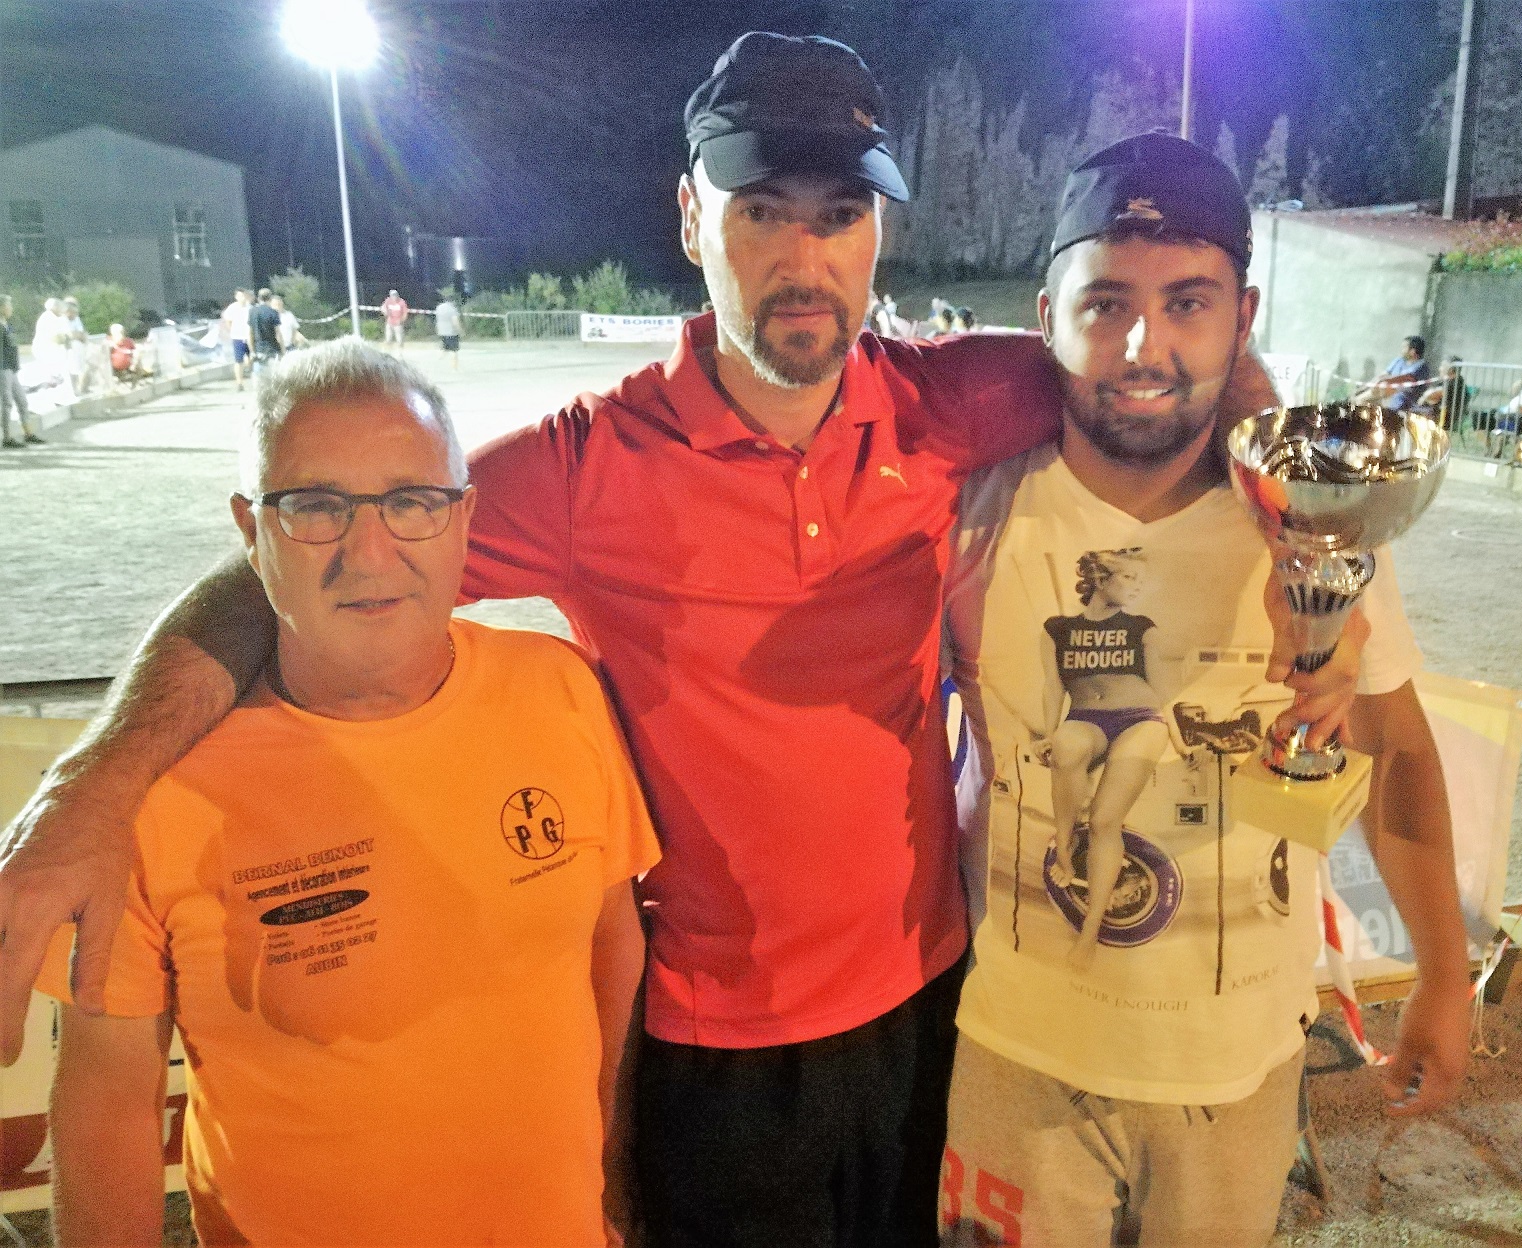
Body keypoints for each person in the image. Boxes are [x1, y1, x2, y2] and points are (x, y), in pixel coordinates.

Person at [0, 33, 1350, 1248]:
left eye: (838, 217)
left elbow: (1175, 353)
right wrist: (87, 790)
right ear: (694, 217)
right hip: (716, 1051)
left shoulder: (957, 399)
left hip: (940, 1001)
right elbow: (309, 557)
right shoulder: (594, 467)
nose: (803, 256)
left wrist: (1280, 470)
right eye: (763, 211)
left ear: (877, 235)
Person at [939, 133, 1471, 1247]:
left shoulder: (1315, 528)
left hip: (1236, 1073)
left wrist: (1441, 972)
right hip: (1013, 1057)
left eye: (1187, 303)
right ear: (1045, 316)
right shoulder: (969, 516)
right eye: (1105, 306)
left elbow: (1400, 762)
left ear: (1243, 313)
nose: (1144, 346)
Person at [36, 339, 658, 1247]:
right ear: (251, 531)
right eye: (317, 509)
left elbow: (612, 946)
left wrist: (608, 1179)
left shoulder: (558, 689)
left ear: (463, 519)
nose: (370, 554)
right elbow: (107, 1117)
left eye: (411, 503)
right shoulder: (153, 791)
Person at [1038, 547, 1169, 972]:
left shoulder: (1141, 628)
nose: (1135, 587)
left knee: (1104, 821)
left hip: (1139, 720)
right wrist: (1047, 730)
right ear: (1099, 578)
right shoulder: (1057, 629)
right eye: (1128, 577)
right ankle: (1064, 843)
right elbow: (1053, 687)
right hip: (1085, 718)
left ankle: (1090, 932)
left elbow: (1164, 691)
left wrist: (1183, 740)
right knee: (1067, 746)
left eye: (1139, 581)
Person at [1, 294, 47, 446]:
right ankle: (7, 437)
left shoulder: (7, 324)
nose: (11, 308)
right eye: (8, 305)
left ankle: (28, 433)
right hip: (3, 368)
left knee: (22, 401)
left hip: (10, 368)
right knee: (7, 402)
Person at [1359, 335, 1431, 411]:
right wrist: (1366, 387)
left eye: (1404, 347)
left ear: (1413, 351)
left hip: (1406, 403)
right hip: (1385, 398)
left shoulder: (1422, 366)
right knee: (1358, 400)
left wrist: (1385, 380)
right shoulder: (1398, 361)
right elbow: (1383, 375)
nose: (1401, 350)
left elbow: (1408, 377)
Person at [221, 289, 253, 391]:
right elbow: (228, 321)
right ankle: (239, 383)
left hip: (250, 337)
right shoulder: (232, 308)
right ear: (236, 297)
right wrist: (232, 331)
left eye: (244, 295)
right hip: (237, 337)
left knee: (252, 359)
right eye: (240, 296)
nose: (242, 298)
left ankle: (253, 378)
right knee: (238, 361)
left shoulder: (250, 308)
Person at [248, 287, 284, 369]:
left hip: (258, 348)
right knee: (274, 373)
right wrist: (283, 350)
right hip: (272, 348)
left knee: (259, 374)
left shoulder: (252, 312)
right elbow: (278, 333)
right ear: (270, 298)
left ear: (258, 298)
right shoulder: (273, 312)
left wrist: (252, 351)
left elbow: (250, 333)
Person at [434, 294, 463, 370]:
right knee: (454, 351)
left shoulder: (439, 308)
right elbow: (455, 321)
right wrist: (460, 330)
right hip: (451, 332)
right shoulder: (452, 309)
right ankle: (454, 368)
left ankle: (435, 362)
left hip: (442, 331)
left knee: (445, 348)